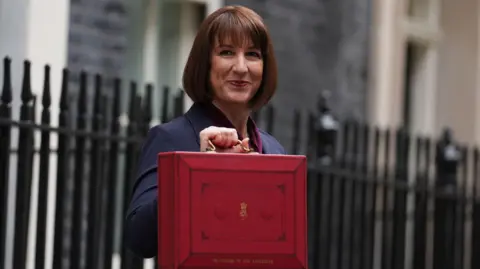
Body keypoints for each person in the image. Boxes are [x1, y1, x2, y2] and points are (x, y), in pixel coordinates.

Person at [124, 5, 286, 258]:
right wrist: (198, 171)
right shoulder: (171, 137)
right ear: (205, 63)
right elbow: (139, 238)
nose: (241, 67)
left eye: (253, 54)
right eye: (227, 52)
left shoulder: (274, 150)